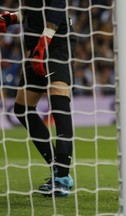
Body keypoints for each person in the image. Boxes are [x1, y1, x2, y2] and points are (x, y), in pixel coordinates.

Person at [0, 0, 77, 197]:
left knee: (59, 104)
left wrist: (46, 39)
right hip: (36, 42)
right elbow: (32, 11)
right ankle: (57, 168)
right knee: (22, 109)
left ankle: (61, 177)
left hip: (56, 40)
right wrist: (12, 18)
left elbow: (58, 5)